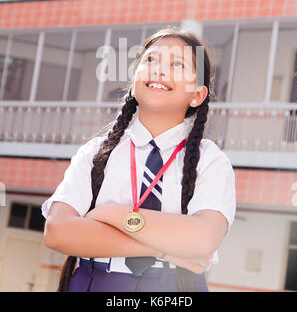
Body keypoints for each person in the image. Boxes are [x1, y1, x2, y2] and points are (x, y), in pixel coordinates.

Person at [42, 26, 236, 292]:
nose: (160, 70)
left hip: (174, 287)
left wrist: (111, 214)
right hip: (95, 281)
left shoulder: (210, 161)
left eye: (177, 64)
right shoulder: (96, 153)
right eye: (151, 60)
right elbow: (57, 232)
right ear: (134, 82)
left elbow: (202, 240)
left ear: (197, 95)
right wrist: (166, 250)